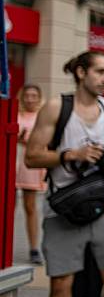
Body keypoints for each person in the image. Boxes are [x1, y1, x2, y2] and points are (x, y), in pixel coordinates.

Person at [25, 51, 104, 297]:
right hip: (64, 205)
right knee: (61, 284)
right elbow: (32, 156)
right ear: (81, 73)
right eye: (100, 72)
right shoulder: (57, 107)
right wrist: (71, 155)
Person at [15, 83, 47, 265]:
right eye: (27, 95)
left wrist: (28, 140)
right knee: (7, 207)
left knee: (30, 206)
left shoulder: (41, 116)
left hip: (30, 164)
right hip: (14, 161)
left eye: (34, 96)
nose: (30, 99)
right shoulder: (15, 113)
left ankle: (34, 247)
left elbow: (44, 141)